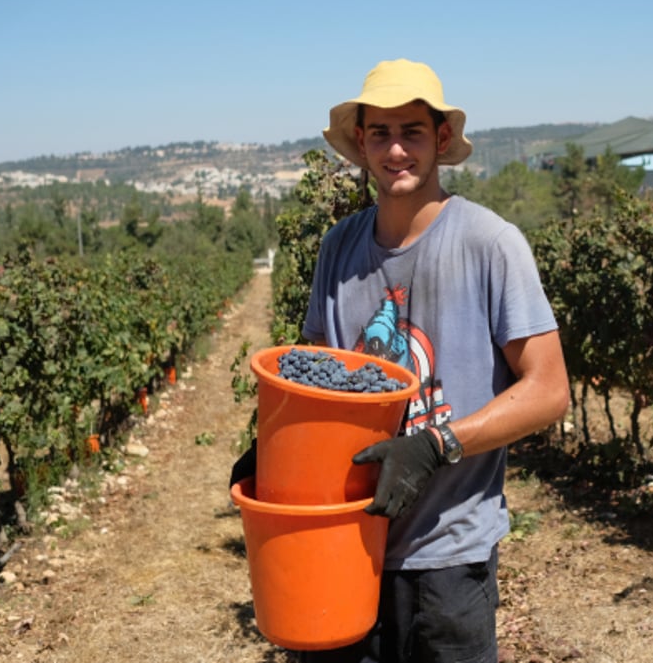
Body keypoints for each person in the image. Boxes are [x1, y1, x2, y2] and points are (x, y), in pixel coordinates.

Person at [236, 58, 570, 663]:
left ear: (441, 140)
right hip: (341, 546)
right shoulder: (339, 248)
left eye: (411, 132)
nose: (395, 150)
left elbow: (548, 389)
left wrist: (434, 445)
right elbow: (322, 380)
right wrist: (274, 447)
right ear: (360, 143)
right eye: (380, 134)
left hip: (448, 557)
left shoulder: (490, 245)